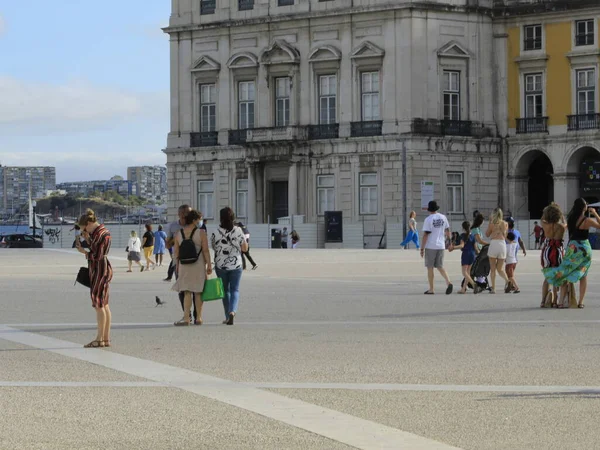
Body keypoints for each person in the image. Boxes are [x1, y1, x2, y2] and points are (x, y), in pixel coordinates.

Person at [544, 198, 600, 308]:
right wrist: (595, 213)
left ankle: (560, 302)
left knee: (566, 271)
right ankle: (581, 302)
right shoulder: (587, 220)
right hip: (584, 249)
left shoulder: (571, 219)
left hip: (572, 247)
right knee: (584, 275)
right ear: (584, 207)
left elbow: (564, 226)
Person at [75, 209, 113, 348]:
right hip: (102, 269)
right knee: (104, 304)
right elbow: (97, 249)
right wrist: (88, 239)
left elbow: (97, 255)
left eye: (85, 228)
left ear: (90, 223)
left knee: (98, 305)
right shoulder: (100, 232)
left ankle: (99, 339)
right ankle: (105, 338)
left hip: (99, 270)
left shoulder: (102, 233)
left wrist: (84, 252)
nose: (86, 231)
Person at [172, 210, 212, 326]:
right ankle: (199, 318)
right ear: (194, 220)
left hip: (184, 265)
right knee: (198, 291)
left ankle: (186, 318)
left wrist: (177, 266)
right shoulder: (201, 233)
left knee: (187, 292)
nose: (200, 221)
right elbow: (205, 250)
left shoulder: (179, 233)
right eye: (199, 219)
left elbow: (176, 253)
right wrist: (209, 264)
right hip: (198, 264)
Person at [211, 207, 248, 325]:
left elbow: (214, 247)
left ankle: (227, 316)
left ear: (220, 218)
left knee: (225, 291)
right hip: (236, 264)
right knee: (235, 290)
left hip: (221, 265)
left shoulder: (215, 231)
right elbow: (244, 248)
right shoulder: (238, 230)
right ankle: (233, 311)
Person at [165, 205, 197, 321]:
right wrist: (178, 237)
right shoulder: (173, 226)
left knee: (195, 289)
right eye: (183, 213)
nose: (185, 215)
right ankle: (186, 314)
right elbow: (167, 245)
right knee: (182, 289)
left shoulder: (195, 225)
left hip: (195, 261)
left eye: (187, 213)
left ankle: (196, 314)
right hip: (179, 261)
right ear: (178, 214)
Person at [420, 200, 453, 295]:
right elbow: (447, 230)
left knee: (430, 267)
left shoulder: (428, 219)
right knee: (440, 266)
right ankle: (448, 282)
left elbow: (426, 235)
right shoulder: (443, 217)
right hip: (441, 245)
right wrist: (449, 242)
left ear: (429, 209)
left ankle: (431, 289)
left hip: (431, 246)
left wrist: (422, 248)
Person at [539, 203, 567, 308]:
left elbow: (542, 218)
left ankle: (543, 301)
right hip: (558, 251)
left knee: (547, 277)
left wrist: (546, 212)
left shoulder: (544, 224)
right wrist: (562, 216)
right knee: (558, 275)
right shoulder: (561, 227)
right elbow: (565, 223)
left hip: (547, 251)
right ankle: (555, 300)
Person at [485, 208, 510, 294]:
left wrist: (490, 223)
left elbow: (487, 234)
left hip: (494, 244)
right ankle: (507, 281)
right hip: (502, 244)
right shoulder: (505, 223)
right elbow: (505, 235)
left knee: (493, 269)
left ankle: (494, 288)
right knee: (500, 269)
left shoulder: (492, 224)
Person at [450, 221, 476, 294]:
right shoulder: (472, 235)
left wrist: (453, 247)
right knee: (468, 273)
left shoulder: (463, 235)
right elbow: (475, 248)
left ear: (463, 228)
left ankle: (474, 284)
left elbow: (462, 246)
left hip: (466, 254)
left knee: (464, 273)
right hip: (472, 254)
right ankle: (463, 289)